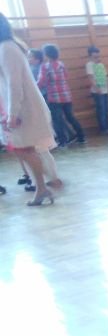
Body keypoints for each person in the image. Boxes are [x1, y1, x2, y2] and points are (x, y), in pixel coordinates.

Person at [0, 13, 59, 206]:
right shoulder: (4, 48)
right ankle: (41, 187)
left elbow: (14, 84)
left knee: (26, 149)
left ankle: (43, 187)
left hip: (24, 108)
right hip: (16, 107)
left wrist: (13, 113)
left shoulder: (7, 48)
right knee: (21, 149)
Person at [38, 43, 85, 147]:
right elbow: (66, 76)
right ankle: (81, 137)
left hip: (54, 97)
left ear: (46, 54)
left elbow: (41, 81)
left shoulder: (45, 66)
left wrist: (36, 89)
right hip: (66, 96)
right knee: (70, 117)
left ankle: (62, 142)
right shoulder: (61, 64)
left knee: (57, 120)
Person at [86, 45, 108, 134]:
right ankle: (103, 129)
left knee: (106, 110)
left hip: (105, 90)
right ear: (90, 56)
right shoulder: (89, 65)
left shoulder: (101, 65)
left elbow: (105, 77)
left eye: (98, 56)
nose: (97, 58)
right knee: (101, 110)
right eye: (95, 57)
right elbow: (91, 78)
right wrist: (97, 89)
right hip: (97, 91)